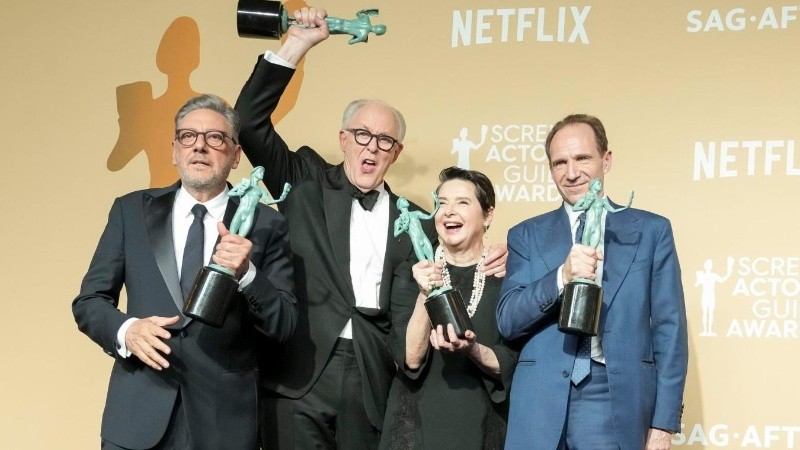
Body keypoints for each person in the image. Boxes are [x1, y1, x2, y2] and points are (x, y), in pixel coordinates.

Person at [235, 7, 506, 449]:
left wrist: (501, 253)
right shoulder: (304, 181)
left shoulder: (416, 219)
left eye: (385, 141)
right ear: (343, 139)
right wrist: (298, 44)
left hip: (372, 378)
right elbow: (247, 121)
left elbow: (456, 262)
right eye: (362, 135)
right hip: (298, 378)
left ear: (395, 153)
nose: (371, 148)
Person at [72, 94, 297, 450]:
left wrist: (249, 275)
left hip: (225, 424)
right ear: (174, 150)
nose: (200, 147)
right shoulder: (130, 212)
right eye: (188, 136)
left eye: (216, 138)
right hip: (137, 416)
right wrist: (127, 330)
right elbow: (89, 302)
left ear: (236, 155)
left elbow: (284, 323)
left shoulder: (268, 224)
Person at [497, 114, 688, 450]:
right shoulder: (526, 235)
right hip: (538, 400)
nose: (572, 173)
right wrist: (560, 277)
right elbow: (509, 321)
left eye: (582, 158)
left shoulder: (650, 231)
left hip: (613, 396)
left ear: (606, 160)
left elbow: (669, 329)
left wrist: (663, 423)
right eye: (560, 163)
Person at [381, 167, 518, 450]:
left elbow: (513, 359)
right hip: (415, 425)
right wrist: (426, 290)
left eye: (462, 203)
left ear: (488, 214)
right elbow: (410, 358)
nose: (448, 212)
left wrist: (473, 349)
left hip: (481, 423)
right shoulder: (411, 272)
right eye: (442, 203)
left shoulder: (509, 275)